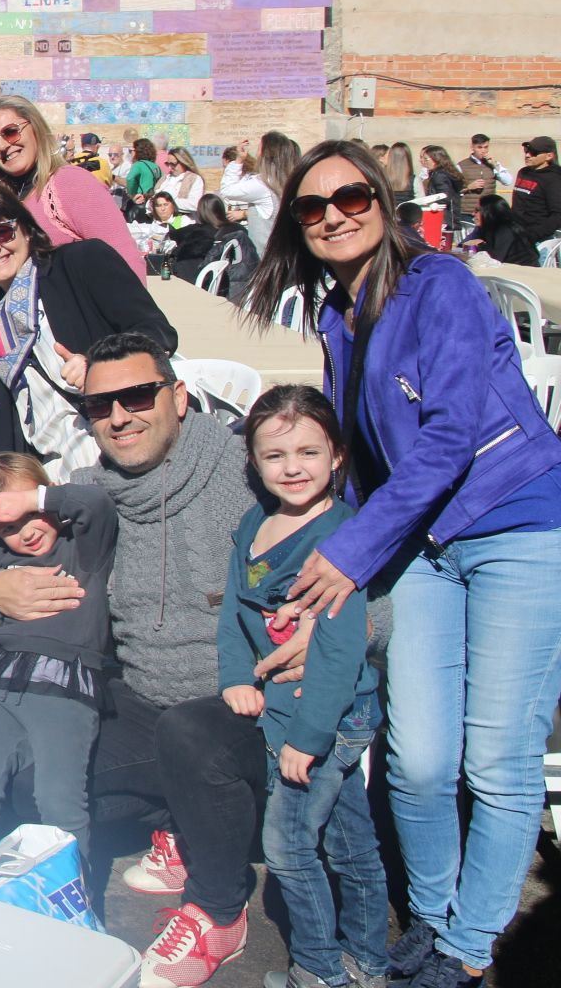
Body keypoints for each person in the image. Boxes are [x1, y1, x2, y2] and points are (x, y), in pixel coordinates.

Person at [246, 140, 561, 988]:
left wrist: (349, 554)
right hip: (422, 539)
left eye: (352, 195)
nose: (335, 214)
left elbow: (451, 434)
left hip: (513, 522)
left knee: (496, 757)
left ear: (385, 202)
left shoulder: (441, 286)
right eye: (313, 207)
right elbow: (361, 456)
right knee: (418, 756)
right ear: (298, 228)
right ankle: (431, 916)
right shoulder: (336, 317)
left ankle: (466, 945)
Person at [0, 333, 268, 988]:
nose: (119, 416)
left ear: (179, 397)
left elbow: (353, 579)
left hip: (244, 714)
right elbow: (2, 551)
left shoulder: (246, 477)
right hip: (146, 706)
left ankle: (221, 909)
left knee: (192, 732)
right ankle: (181, 825)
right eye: (99, 404)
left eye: (137, 395)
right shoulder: (90, 494)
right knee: (26, 778)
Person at [218, 386, 386, 988]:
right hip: (285, 711)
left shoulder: (342, 538)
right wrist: (237, 675)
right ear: (255, 463)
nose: (293, 468)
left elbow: (339, 652)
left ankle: (319, 971)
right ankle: (367, 963)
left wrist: (308, 738)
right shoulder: (254, 523)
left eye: (309, 452)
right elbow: (234, 611)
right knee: (347, 840)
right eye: (275, 455)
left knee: (288, 847)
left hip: (328, 718)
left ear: (337, 455)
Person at [0, 183, 176, 478]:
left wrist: (99, 364)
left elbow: (158, 332)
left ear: (25, 228)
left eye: (2, 232)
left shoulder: (81, 262)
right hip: (57, 476)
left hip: (129, 450)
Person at [0, 454, 117, 863]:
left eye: (30, 516)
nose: (24, 533)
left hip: (65, 687)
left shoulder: (81, 548)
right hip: (0, 682)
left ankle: (74, 895)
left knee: (58, 799)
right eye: (7, 527)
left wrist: (34, 498)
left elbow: (97, 505)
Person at [0, 95, 146, 280]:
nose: (3, 145)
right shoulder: (0, 201)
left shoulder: (70, 183)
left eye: (11, 132)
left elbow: (125, 259)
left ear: (35, 128)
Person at [508, 134, 561, 242]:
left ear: (549, 156)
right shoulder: (523, 173)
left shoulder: (554, 179)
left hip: (538, 240)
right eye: (526, 151)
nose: (528, 155)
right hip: (516, 235)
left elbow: (557, 215)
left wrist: (533, 235)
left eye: (534, 153)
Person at [465, 193, 537, 266]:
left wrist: (480, 245)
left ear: (490, 212)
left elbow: (495, 259)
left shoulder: (505, 229)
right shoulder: (484, 228)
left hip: (523, 271)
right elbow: (464, 244)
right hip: (505, 269)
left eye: (477, 210)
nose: (473, 213)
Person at [457, 133, 513, 222]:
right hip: (468, 213)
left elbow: (508, 181)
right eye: (479, 147)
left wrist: (496, 167)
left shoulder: (493, 164)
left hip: (489, 211)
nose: (483, 150)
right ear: (472, 147)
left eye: (486, 147)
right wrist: (468, 187)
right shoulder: (461, 165)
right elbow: (452, 190)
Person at [417, 144, 466, 230]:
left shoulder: (439, 175)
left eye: (426, 159)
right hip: (451, 218)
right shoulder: (446, 173)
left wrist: (427, 202)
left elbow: (444, 197)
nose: (423, 161)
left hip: (444, 219)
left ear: (436, 159)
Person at [156, 147, 205, 213]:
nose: (170, 167)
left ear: (183, 162)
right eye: (168, 164)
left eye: (173, 164)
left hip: (183, 220)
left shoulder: (194, 179)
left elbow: (195, 204)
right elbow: (153, 199)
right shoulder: (165, 178)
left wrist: (168, 202)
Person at [124, 138, 162, 208]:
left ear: (137, 151)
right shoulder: (156, 166)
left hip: (140, 200)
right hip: (153, 201)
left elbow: (129, 178)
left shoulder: (138, 165)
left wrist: (132, 194)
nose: (130, 153)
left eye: (131, 150)